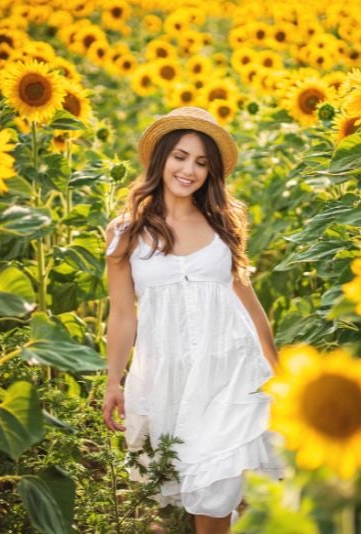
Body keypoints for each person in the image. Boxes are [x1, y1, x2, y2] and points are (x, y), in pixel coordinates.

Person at [102, 106, 284, 534]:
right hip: (172, 379)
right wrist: (114, 380)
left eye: (202, 163)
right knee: (203, 485)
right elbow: (123, 313)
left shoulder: (222, 226)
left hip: (232, 373)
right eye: (181, 156)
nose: (190, 170)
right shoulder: (126, 232)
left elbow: (251, 306)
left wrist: (279, 371)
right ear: (161, 158)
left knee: (216, 488)